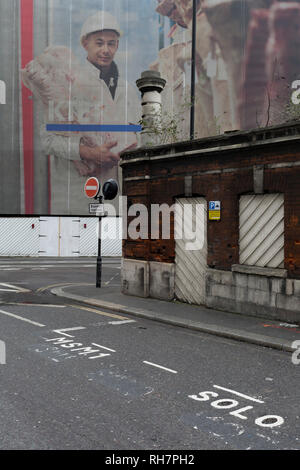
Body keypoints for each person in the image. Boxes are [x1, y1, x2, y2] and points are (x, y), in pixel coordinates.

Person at [40, 11, 140, 214]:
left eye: (111, 43)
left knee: (114, 243)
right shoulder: (66, 85)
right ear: (85, 44)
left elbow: (141, 134)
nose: (106, 50)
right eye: (99, 43)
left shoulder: (127, 90)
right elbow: (47, 140)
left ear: (117, 46)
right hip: (78, 193)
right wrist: (90, 153)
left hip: (117, 195)